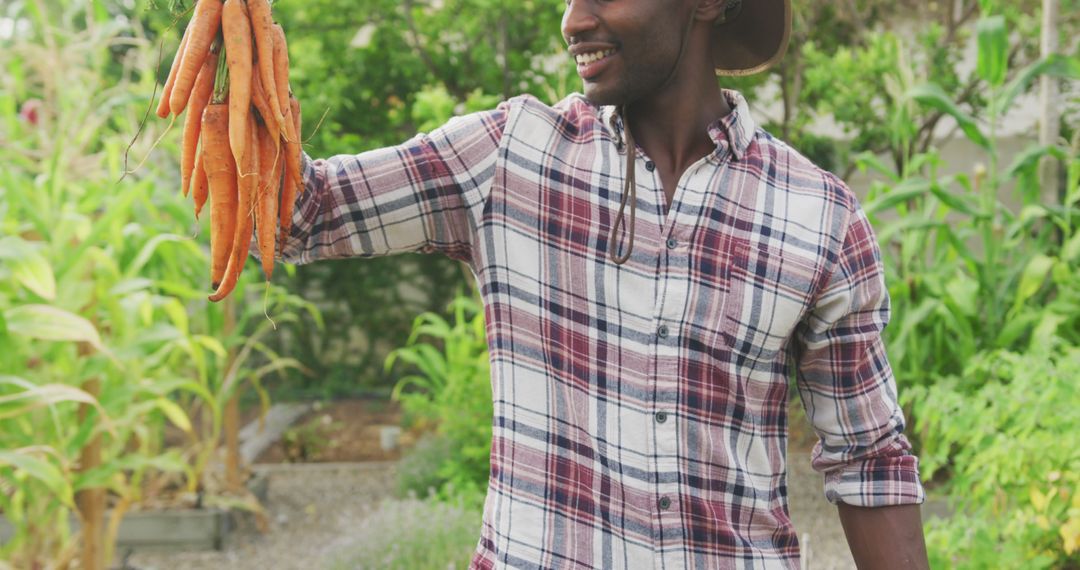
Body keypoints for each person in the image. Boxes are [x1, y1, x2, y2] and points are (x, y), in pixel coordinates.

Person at [275, 0, 930, 567]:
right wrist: (234, 50)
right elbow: (305, 214)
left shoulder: (817, 217)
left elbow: (869, 460)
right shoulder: (509, 157)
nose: (573, 20)